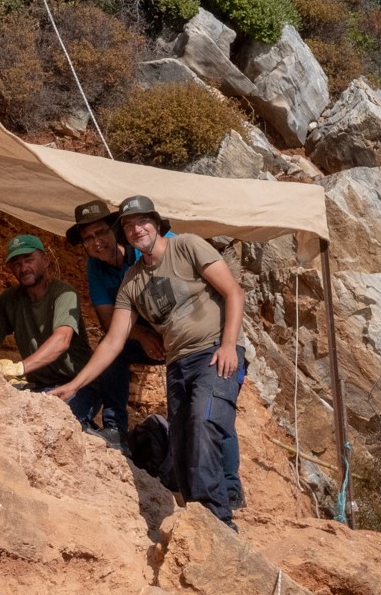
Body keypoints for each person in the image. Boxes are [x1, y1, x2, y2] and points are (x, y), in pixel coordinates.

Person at [52, 196, 247, 530]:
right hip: (177, 363)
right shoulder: (131, 282)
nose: (135, 228)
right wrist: (74, 385)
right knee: (183, 445)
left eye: (141, 221)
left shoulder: (186, 247)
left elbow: (234, 292)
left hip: (213, 352)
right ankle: (199, 519)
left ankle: (219, 523)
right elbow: (113, 339)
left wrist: (229, 344)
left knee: (205, 422)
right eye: (128, 225)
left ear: (157, 223)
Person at [68, 199, 172, 451]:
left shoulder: (146, 248)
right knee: (112, 353)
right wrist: (144, 336)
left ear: (115, 230)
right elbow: (106, 321)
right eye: (88, 238)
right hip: (141, 338)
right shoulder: (95, 266)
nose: (96, 242)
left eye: (101, 232)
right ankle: (115, 429)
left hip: (181, 336)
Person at [0, 234, 103, 428]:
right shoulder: (9, 299)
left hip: (77, 383)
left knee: (57, 425)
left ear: (45, 261)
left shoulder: (63, 292)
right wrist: (2, 374)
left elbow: (62, 340)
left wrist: (19, 368)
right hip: (37, 386)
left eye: (29, 260)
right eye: (16, 264)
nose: (23, 268)